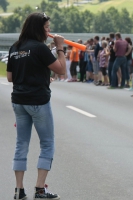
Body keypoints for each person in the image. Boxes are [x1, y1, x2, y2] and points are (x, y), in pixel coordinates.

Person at [6, 12, 65, 199]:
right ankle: (40, 189)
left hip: (18, 101)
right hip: (38, 101)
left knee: (21, 144)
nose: (49, 30)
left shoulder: (15, 47)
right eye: (47, 27)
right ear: (38, 28)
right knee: (47, 143)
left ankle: (18, 190)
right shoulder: (40, 48)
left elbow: (10, 77)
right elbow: (62, 70)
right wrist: (60, 48)